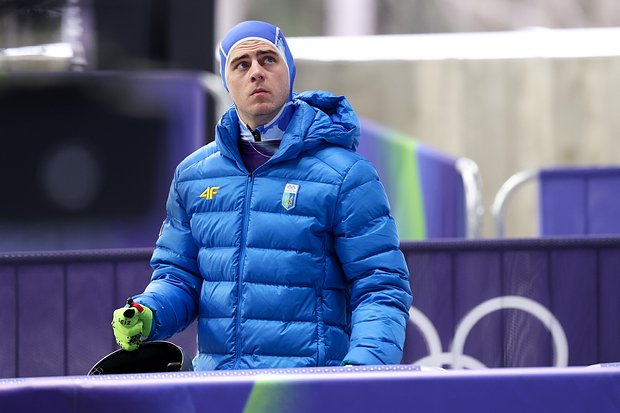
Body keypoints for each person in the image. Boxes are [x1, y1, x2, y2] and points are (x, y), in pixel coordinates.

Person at [111, 20, 413, 370]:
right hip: (218, 388)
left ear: (289, 71)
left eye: (268, 59)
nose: (256, 71)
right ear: (227, 81)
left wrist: (364, 369)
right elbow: (179, 278)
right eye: (241, 64)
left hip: (309, 389)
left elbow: (380, 285)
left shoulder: (346, 175)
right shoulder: (193, 175)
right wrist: (148, 312)